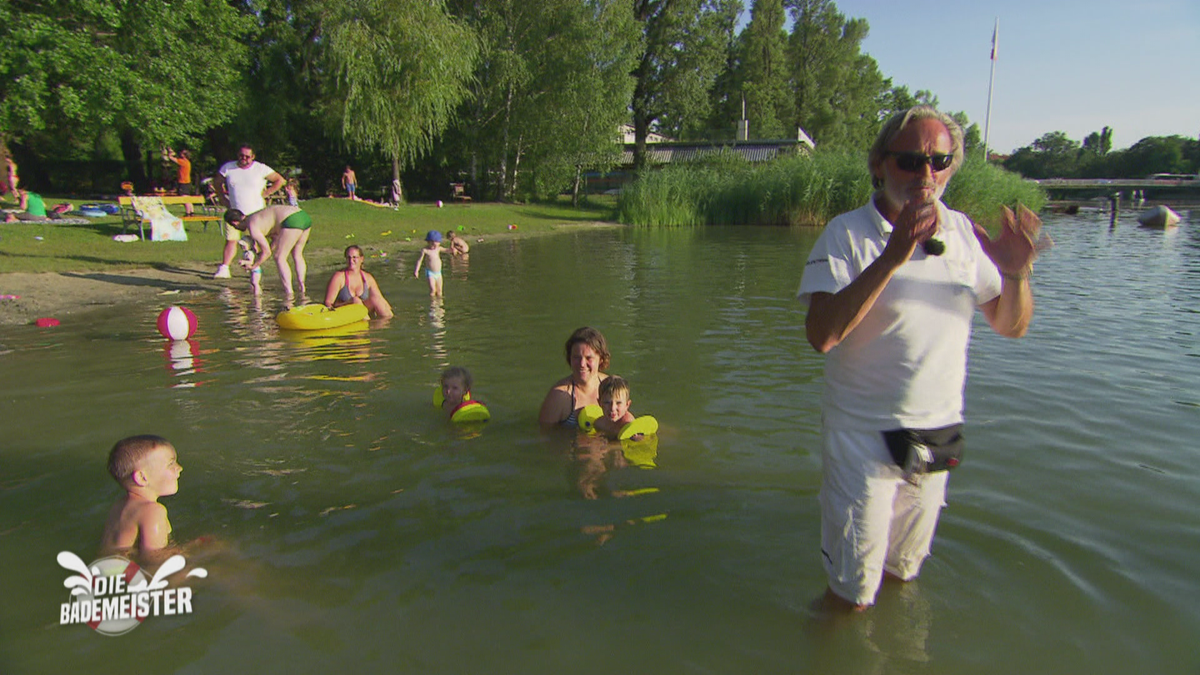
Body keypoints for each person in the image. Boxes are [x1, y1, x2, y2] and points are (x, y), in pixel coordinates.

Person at [797, 105, 1045, 611]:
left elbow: (1011, 325)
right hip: (860, 437)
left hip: (936, 435)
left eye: (939, 160)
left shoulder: (964, 236)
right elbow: (822, 336)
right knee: (852, 595)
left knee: (903, 574)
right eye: (910, 161)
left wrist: (1017, 274)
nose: (925, 174)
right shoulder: (846, 235)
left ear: (952, 167)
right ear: (881, 165)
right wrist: (893, 255)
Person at [100, 435, 182, 556]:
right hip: (127, 572)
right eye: (171, 464)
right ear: (142, 478)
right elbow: (154, 558)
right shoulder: (153, 511)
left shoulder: (119, 505)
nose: (179, 468)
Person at [212, 145, 285, 279]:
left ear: (252, 157)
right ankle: (224, 267)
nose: (244, 159)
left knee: (257, 240)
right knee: (231, 240)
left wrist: (267, 193)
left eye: (247, 156)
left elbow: (280, 180)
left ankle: (255, 265)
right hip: (234, 211)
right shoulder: (228, 167)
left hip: (257, 213)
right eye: (241, 155)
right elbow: (217, 182)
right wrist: (222, 197)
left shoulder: (260, 168)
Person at [224, 204, 312, 299]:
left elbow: (267, 252)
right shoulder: (256, 216)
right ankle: (302, 288)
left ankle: (289, 293)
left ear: (235, 223)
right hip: (302, 215)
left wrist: (254, 266)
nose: (236, 229)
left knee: (279, 257)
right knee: (297, 254)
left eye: (233, 227)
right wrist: (263, 252)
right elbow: (275, 239)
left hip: (291, 219)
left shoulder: (252, 226)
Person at [538, 327, 611, 428]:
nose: (582, 364)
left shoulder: (610, 386)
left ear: (601, 360)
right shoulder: (559, 396)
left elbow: (625, 422)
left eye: (589, 358)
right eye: (576, 357)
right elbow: (545, 437)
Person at [323, 245, 394, 318]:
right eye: (348, 257)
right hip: (344, 311)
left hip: (363, 311)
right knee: (356, 300)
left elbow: (380, 298)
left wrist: (388, 310)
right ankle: (367, 326)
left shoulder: (367, 278)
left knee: (376, 299)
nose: (351, 261)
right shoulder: (339, 277)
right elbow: (328, 302)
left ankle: (387, 323)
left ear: (361, 259)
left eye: (354, 257)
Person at [413, 230, 444, 296]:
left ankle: (439, 304)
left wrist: (453, 250)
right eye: (432, 245)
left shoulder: (438, 249)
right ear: (428, 242)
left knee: (439, 291)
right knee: (433, 290)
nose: (434, 247)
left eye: (436, 245)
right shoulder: (425, 250)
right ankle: (432, 304)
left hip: (438, 273)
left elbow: (447, 250)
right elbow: (419, 261)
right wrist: (416, 271)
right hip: (430, 273)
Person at [166, 148, 195, 215]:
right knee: (187, 197)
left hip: (183, 182)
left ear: (184, 155)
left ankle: (188, 212)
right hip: (187, 182)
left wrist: (170, 153)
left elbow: (171, 158)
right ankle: (191, 211)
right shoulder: (187, 162)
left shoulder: (183, 162)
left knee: (184, 197)